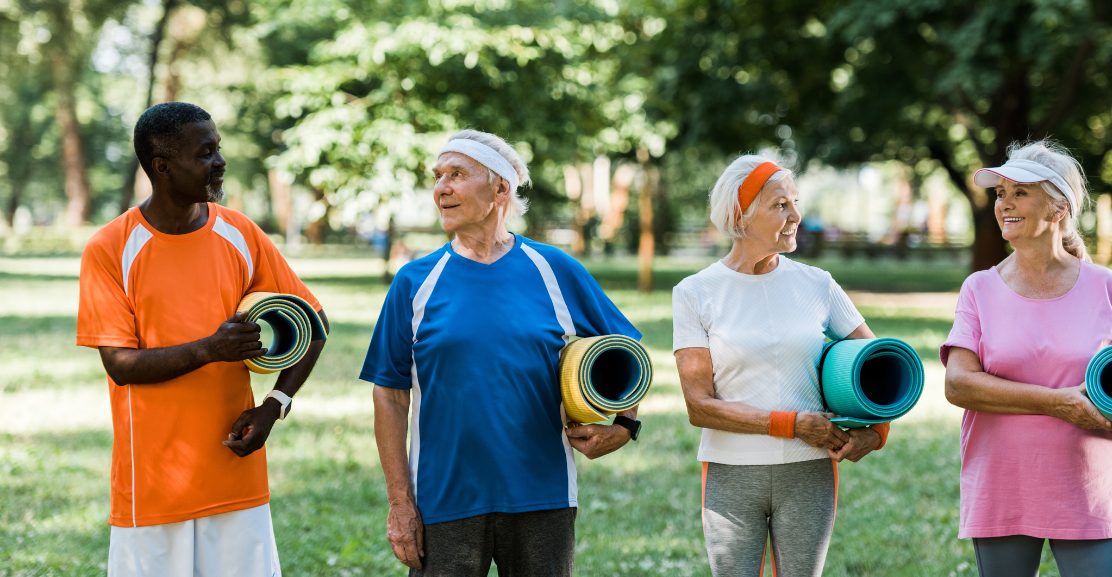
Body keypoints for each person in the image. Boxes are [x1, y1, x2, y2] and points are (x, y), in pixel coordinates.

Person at [360, 130, 642, 576]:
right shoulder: (415, 282)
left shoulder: (555, 269)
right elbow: (390, 396)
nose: (441, 188)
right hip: (443, 499)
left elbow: (628, 354)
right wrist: (400, 504)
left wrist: (626, 425)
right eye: (437, 177)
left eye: (457, 174)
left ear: (500, 188)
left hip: (542, 497)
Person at [77, 102, 329, 577]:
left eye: (219, 148)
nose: (220, 161)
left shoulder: (240, 232)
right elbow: (120, 364)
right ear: (163, 167)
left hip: (235, 472)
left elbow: (315, 324)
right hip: (152, 485)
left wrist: (274, 406)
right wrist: (210, 349)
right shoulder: (111, 248)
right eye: (205, 152)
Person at [942, 141, 1112, 577]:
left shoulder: (1103, 285)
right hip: (1002, 486)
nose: (1005, 204)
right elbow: (958, 384)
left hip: (1085, 489)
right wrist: (1057, 402)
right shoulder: (979, 289)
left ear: (1058, 210)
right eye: (1001, 193)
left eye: (1020, 192)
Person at [673, 155, 890, 577]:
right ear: (741, 215)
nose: (796, 216)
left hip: (808, 472)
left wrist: (877, 433)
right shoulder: (695, 293)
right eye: (780, 205)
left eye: (795, 202)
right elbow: (699, 406)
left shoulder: (817, 284)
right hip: (731, 473)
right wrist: (792, 424)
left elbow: (883, 367)